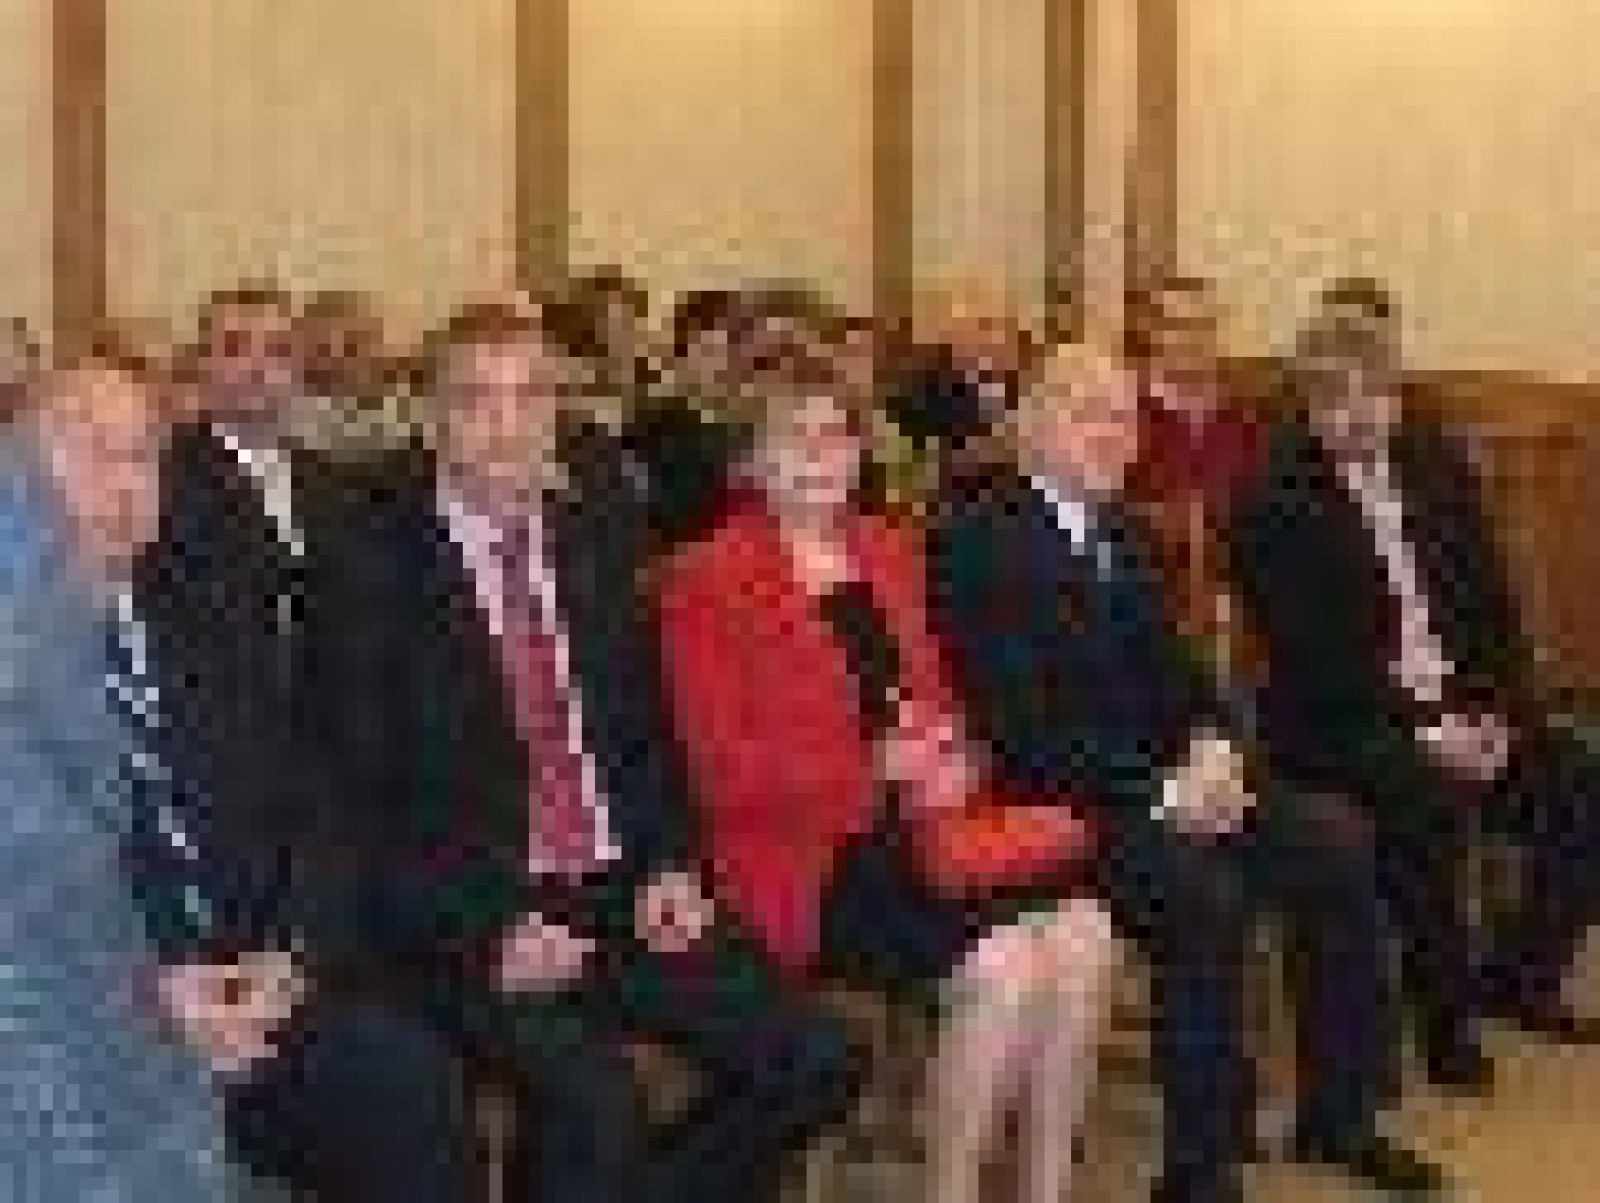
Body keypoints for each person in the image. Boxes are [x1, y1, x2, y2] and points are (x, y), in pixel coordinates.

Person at [313, 301, 860, 1203]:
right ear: (431, 419)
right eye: (477, 400)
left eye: (530, 397)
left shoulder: (597, 533)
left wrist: (674, 864)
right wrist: (484, 927)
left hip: (617, 888)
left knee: (818, 1056)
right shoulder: (371, 563)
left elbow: (648, 732)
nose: (508, 425)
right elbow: (350, 797)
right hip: (467, 910)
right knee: (595, 1103)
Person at [930, 342, 1451, 1203]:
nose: (1115, 436)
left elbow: (1181, 677)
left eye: (1125, 418)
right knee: (1203, 896)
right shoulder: (977, 542)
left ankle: (1340, 1113)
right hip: (1059, 807)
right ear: (1029, 425)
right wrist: (1164, 792)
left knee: (1331, 840)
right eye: (1089, 413)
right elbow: (1019, 732)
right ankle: (1199, 1168)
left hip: (1162, 782)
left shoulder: (1123, 535)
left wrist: (1214, 745)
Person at [656, 349, 1116, 1203]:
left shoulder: (888, 548)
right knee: (1006, 965)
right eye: (794, 438)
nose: (821, 456)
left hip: (923, 829)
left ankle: (1044, 1188)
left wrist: (958, 759)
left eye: (837, 435)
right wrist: (869, 771)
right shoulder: (705, 576)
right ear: (748, 459)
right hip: (802, 858)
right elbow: (717, 772)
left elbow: (944, 698)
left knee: (1087, 932)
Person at [140, 285, 478, 1200]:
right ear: (200, 370)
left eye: (276, 350)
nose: (257, 368)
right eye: (234, 347)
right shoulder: (161, 492)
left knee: (416, 1063)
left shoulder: (337, 490)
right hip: (244, 826)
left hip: (344, 804)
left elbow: (381, 655)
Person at [1233, 321, 1600, 1069]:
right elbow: (1313, 661)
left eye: (1377, 394)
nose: (1361, 414)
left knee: (1580, 778)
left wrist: (1498, 713)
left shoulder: (1437, 471)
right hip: (1338, 724)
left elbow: (1495, 609)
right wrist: (1429, 730)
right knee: (1423, 795)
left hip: (1459, 706)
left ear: (1398, 396)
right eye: (1338, 399)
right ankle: (1444, 1020)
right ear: (1308, 406)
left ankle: (1521, 977)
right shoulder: (1272, 499)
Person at [0, 354, 237, 1202]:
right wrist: (154, 996)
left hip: (224, 968)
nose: (119, 482)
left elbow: (307, 800)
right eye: (82, 448)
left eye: (140, 454)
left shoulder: (207, 610)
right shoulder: (23, 641)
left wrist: (286, 959)